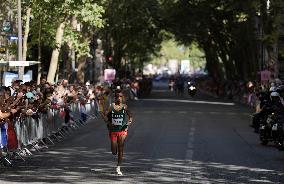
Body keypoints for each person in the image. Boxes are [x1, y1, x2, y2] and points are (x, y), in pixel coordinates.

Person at [103, 89, 133, 176]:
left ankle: (118, 167)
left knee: (121, 148)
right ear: (114, 98)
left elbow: (130, 116)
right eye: (117, 96)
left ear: (122, 98)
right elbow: (105, 116)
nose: (119, 98)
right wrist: (107, 122)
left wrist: (129, 122)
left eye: (120, 96)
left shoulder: (125, 106)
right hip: (113, 131)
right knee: (114, 151)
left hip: (122, 130)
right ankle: (114, 151)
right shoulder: (111, 106)